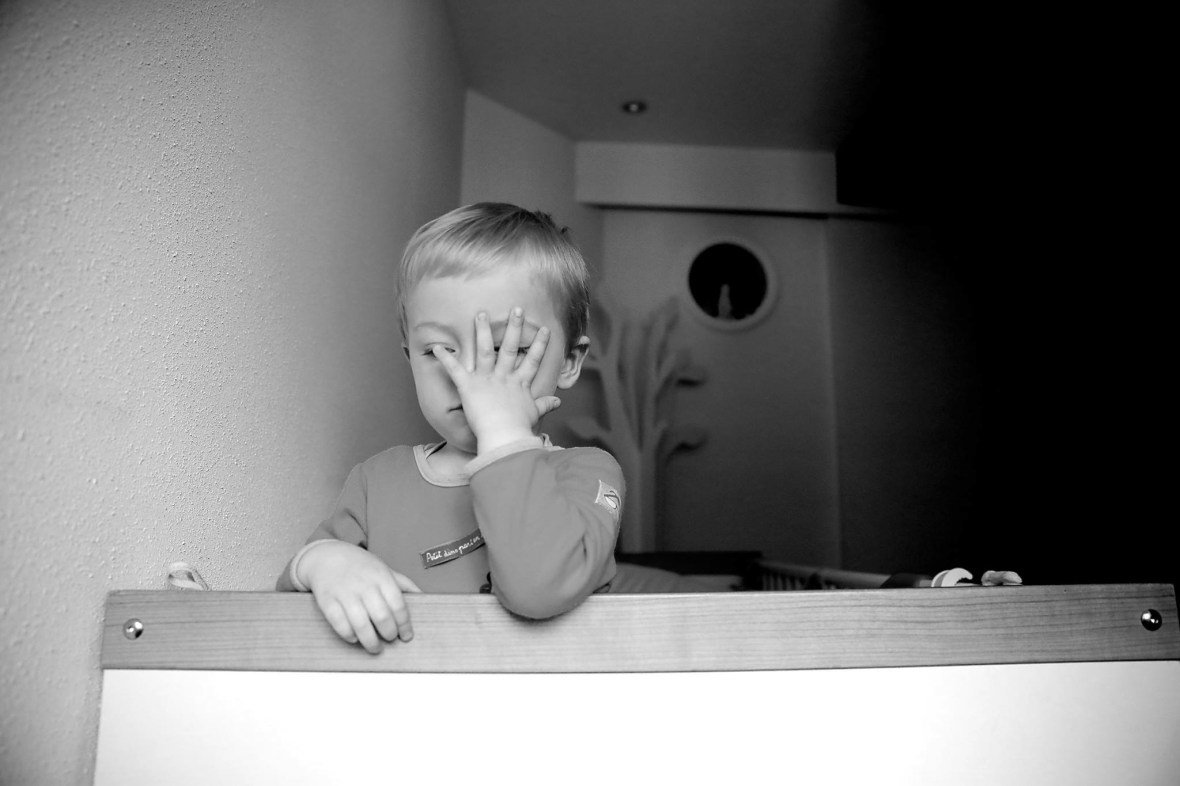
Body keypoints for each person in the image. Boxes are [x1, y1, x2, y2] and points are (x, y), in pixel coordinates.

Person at [276, 203, 624, 654]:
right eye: (439, 350)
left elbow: (538, 590)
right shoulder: (376, 481)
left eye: (508, 348)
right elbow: (289, 620)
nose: (469, 376)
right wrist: (325, 563)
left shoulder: (588, 473)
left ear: (569, 362)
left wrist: (503, 430)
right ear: (410, 357)